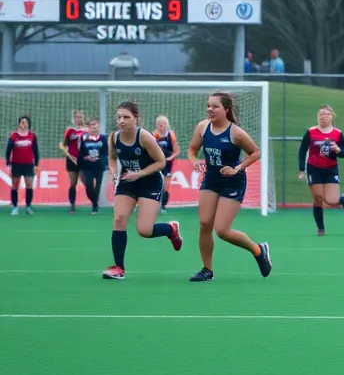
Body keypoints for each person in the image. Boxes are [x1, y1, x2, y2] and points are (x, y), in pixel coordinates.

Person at [187, 92, 272, 282]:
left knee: (222, 230)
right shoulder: (202, 127)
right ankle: (207, 270)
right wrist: (193, 160)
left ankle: (258, 250)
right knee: (204, 224)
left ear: (226, 110)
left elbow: (255, 153)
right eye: (208, 105)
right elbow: (192, 149)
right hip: (211, 179)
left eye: (215, 106)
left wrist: (237, 168)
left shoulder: (235, 133)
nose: (210, 109)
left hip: (233, 181)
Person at [102, 101, 183, 279]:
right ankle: (119, 268)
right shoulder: (113, 138)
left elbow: (161, 162)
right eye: (119, 117)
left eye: (126, 117)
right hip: (127, 182)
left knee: (144, 230)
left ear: (136, 119)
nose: (121, 121)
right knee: (119, 218)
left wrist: (138, 174)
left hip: (150, 183)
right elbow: (112, 158)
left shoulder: (144, 137)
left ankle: (171, 230)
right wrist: (113, 174)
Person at [297, 105, 344, 236]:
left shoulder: (338, 134)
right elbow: (302, 150)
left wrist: (338, 150)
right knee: (318, 198)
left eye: (326, 114)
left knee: (332, 201)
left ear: (331, 116)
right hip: (314, 168)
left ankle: (343, 200)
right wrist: (301, 168)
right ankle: (320, 228)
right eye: (320, 114)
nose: (323, 117)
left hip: (330, 169)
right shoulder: (311, 132)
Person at [6, 115, 38, 216]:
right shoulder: (13, 136)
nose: (24, 124)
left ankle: (28, 206)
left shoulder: (32, 136)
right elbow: (8, 150)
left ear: (28, 124)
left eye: (26, 122)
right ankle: (15, 207)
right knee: (15, 186)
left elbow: (36, 151)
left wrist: (36, 164)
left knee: (29, 185)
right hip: (16, 164)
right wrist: (8, 163)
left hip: (28, 165)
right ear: (19, 124)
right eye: (22, 122)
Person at [77, 118, 108, 215]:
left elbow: (106, 152)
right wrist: (86, 158)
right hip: (87, 166)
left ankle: (95, 206)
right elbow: (81, 153)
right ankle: (94, 202)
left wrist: (101, 159)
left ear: (98, 126)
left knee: (97, 186)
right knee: (89, 185)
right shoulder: (84, 138)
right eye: (91, 125)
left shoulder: (103, 138)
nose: (93, 127)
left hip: (99, 165)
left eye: (94, 125)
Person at [59, 109, 86, 213]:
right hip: (72, 159)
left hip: (84, 160)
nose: (78, 119)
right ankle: (72, 205)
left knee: (87, 182)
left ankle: (94, 204)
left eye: (80, 116)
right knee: (73, 183)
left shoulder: (87, 130)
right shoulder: (69, 130)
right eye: (77, 117)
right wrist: (65, 149)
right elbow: (65, 144)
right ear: (74, 118)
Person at [153, 116, 180, 211]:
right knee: (154, 184)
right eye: (159, 123)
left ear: (166, 124)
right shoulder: (154, 136)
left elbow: (177, 151)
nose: (161, 125)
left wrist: (169, 159)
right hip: (156, 162)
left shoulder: (171, 135)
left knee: (166, 185)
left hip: (168, 163)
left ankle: (163, 206)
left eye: (163, 123)